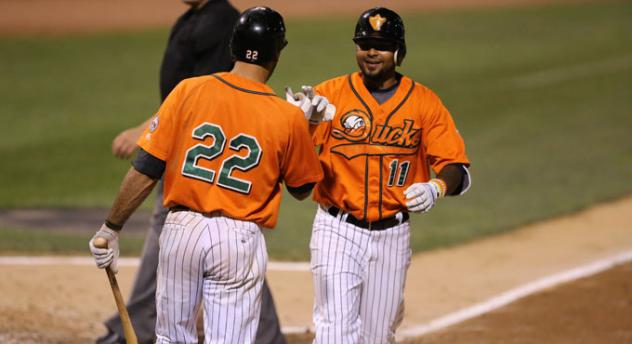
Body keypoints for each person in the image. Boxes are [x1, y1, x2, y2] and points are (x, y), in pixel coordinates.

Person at [90, 6, 325, 344]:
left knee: (171, 338)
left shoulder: (188, 91)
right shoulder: (286, 116)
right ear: (276, 55)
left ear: (232, 47)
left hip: (180, 232)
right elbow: (302, 188)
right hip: (236, 239)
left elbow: (146, 167)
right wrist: (309, 127)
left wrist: (110, 227)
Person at [293, 7, 472, 343]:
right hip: (336, 231)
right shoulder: (328, 95)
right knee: (335, 333)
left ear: (399, 52)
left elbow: (457, 168)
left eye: (381, 44)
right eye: (364, 43)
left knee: (377, 337)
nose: (371, 52)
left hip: (393, 236)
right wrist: (303, 126)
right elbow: (293, 168)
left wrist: (436, 187)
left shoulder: (424, 103)